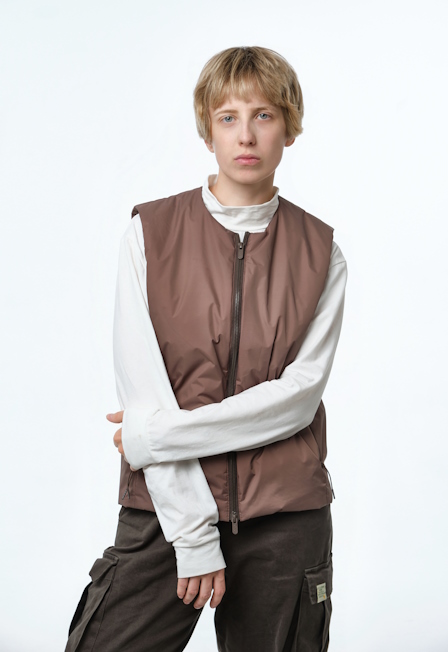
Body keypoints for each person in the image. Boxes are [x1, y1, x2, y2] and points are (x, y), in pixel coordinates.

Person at [65, 45, 347, 652]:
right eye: (228, 117)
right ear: (207, 129)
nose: (246, 135)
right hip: (163, 511)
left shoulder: (322, 252)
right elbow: (144, 390)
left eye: (264, 115)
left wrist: (153, 436)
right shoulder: (149, 234)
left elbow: (296, 402)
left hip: (285, 520)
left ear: (289, 126)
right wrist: (193, 537)